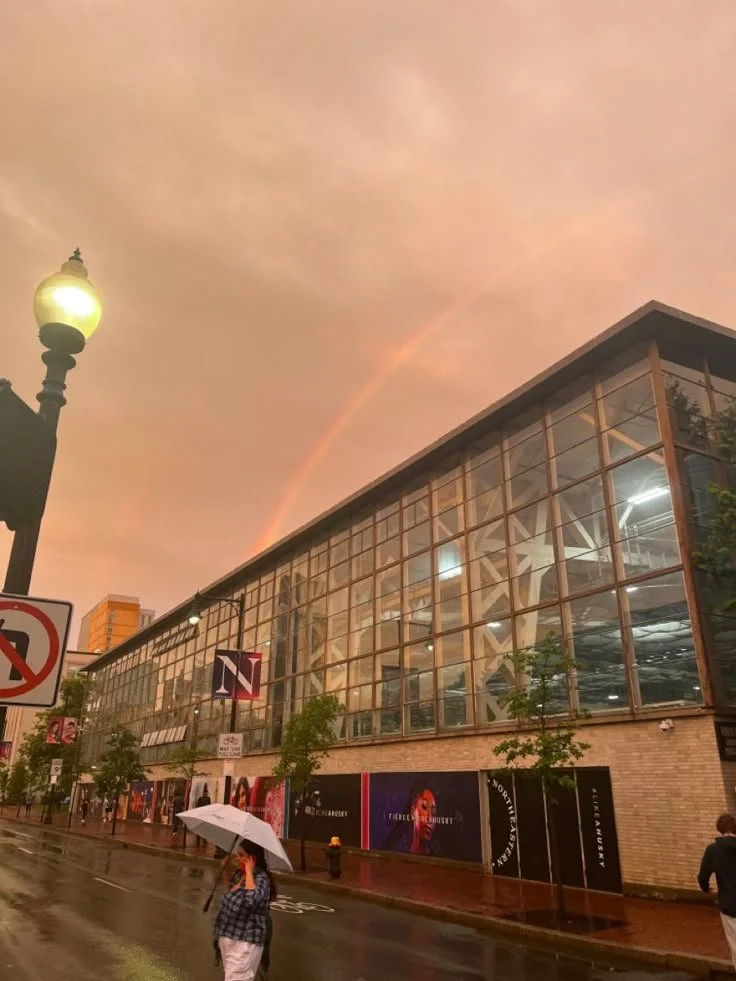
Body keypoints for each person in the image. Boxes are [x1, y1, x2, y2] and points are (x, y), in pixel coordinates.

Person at [214, 841, 276, 981]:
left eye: (242, 855)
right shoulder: (239, 875)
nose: (237, 858)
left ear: (252, 859)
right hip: (229, 938)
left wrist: (249, 872)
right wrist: (225, 870)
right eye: (237, 855)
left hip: (245, 943)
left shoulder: (261, 879)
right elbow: (232, 892)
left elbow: (251, 900)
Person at [699, 813, 736, 969]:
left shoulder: (713, 850)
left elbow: (703, 876)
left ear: (719, 829)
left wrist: (707, 890)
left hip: (729, 905)